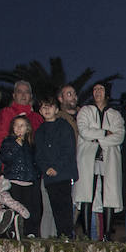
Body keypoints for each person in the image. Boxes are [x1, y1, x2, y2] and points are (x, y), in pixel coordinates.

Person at [75, 81, 124, 240]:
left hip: (108, 160)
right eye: (95, 89)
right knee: (86, 194)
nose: (97, 91)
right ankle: (87, 234)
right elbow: (84, 131)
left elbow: (119, 136)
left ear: (106, 93)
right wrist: (104, 133)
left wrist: (97, 139)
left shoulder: (115, 114)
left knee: (109, 196)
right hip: (88, 159)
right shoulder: (85, 111)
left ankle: (107, 235)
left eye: (101, 89)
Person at [35, 95, 78, 239]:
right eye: (43, 107)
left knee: (65, 206)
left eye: (50, 106)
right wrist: (46, 168)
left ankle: (68, 236)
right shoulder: (40, 131)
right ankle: (60, 236)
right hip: (49, 177)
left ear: (56, 109)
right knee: (54, 207)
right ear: (40, 111)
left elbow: (69, 150)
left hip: (64, 174)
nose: (47, 110)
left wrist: (56, 167)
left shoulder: (64, 126)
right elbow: (38, 154)